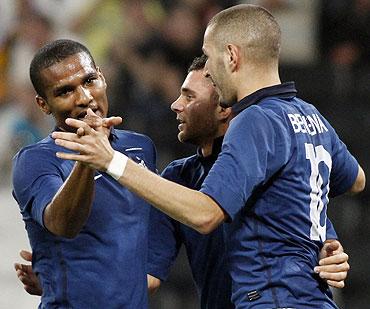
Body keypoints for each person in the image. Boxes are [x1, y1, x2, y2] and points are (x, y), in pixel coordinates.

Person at [53, 5, 366, 302]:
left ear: (225, 109)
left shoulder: (257, 120)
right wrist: (69, 282)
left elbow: (205, 214)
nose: (176, 104)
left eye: (189, 96)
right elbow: (352, 180)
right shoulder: (304, 118)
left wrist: (110, 160)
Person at [12, 39, 156, 308]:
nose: (84, 98)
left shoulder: (141, 148)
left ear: (102, 77)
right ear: (43, 105)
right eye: (65, 91)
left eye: (89, 81)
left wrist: (59, 276)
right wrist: (89, 154)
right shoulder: (34, 161)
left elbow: (147, 236)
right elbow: (63, 224)